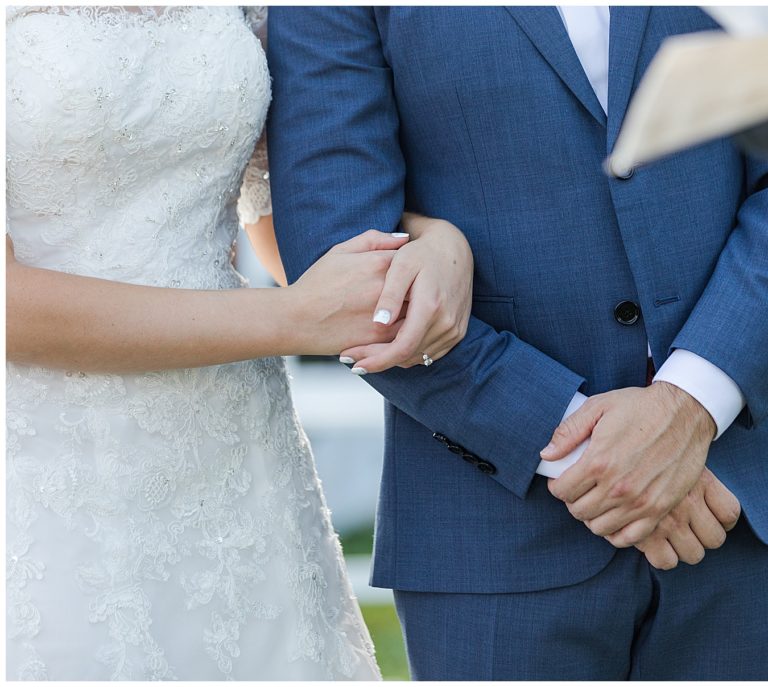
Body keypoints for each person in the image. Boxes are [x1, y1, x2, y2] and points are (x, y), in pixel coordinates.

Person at [268, 6, 768, 680]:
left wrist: (691, 402)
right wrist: (595, 452)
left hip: (745, 481)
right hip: (496, 514)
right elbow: (341, 257)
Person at [5, 6, 473, 680]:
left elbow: (299, 236)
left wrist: (433, 244)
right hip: (49, 473)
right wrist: (290, 319)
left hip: (234, 466)